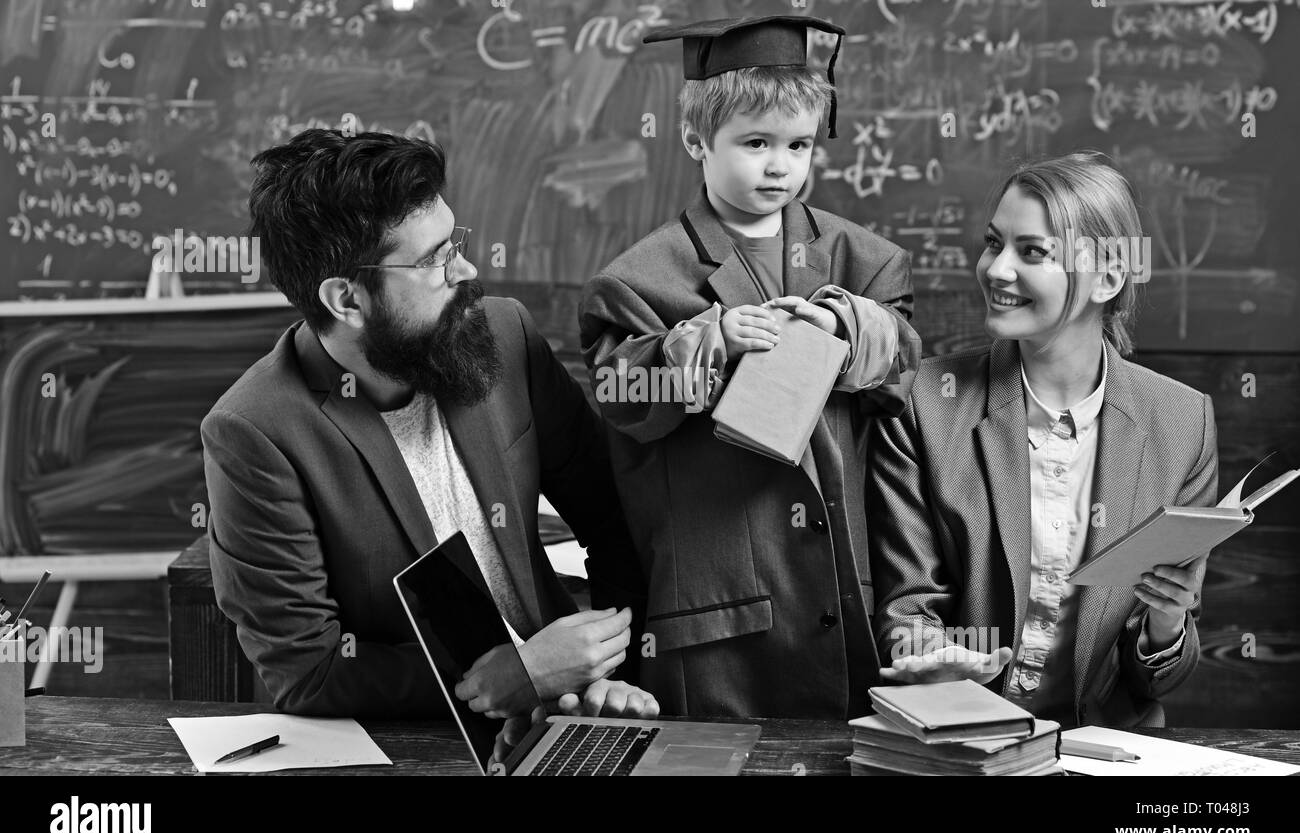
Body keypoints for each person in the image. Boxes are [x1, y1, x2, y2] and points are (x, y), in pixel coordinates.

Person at [203, 129, 655, 721]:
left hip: (574, 712)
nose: (466, 269)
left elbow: (612, 514)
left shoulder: (503, 335)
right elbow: (307, 671)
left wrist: (610, 669)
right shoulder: (254, 432)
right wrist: (508, 675)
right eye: (435, 259)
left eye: (455, 242)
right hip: (422, 741)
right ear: (347, 300)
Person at [580, 16, 922, 718]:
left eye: (799, 145)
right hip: (720, 615)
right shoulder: (637, 280)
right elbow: (623, 397)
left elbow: (906, 372)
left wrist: (844, 323)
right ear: (696, 140)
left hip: (843, 596)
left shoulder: (866, 261)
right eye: (756, 143)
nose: (780, 166)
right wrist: (710, 336)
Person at [868, 151, 1217, 727]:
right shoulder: (923, 404)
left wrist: (1168, 624)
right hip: (966, 739)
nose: (997, 269)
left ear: (1107, 276)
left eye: (1032, 252)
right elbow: (906, 610)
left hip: (1107, 754)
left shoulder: (1182, 425)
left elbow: (1159, 678)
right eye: (993, 243)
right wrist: (935, 659)